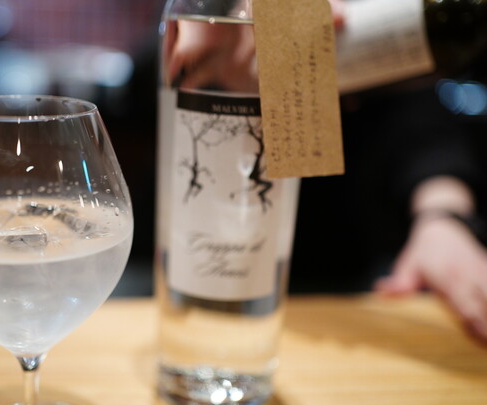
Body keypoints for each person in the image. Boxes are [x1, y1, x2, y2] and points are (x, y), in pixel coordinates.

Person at [161, 0, 487, 341]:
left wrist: (442, 217)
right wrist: (225, 35)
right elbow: (141, 83)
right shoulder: (197, 10)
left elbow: (418, 115)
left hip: (333, 282)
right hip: (178, 274)